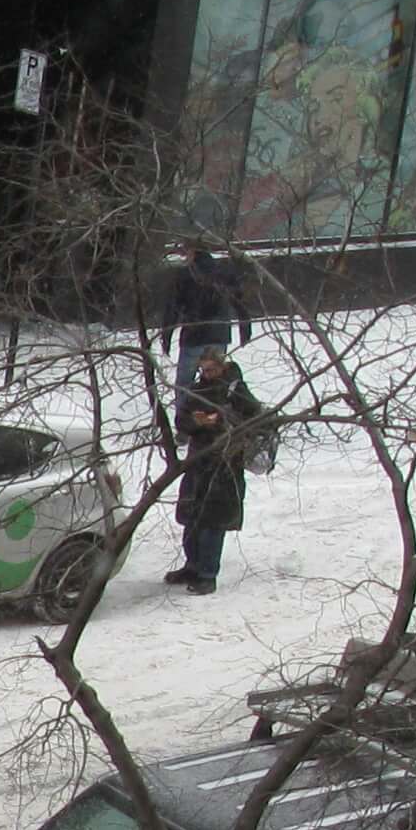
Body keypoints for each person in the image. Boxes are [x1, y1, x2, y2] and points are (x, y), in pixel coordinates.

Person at [167, 352, 267, 597]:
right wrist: (196, 423)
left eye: (212, 370)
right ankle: (192, 566)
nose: (207, 374)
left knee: (213, 521)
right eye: (204, 370)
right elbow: (181, 420)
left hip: (225, 464)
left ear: (223, 367)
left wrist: (222, 419)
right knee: (192, 516)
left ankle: (207, 574)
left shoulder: (236, 391)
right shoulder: (197, 390)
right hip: (198, 461)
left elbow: (256, 420)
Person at [170, 240, 251, 387]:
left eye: (186, 253)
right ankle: (216, 408)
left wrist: (166, 335)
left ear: (193, 252)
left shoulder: (186, 275)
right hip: (219, 334)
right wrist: (245, 328)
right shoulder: (223, 272)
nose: (185, 257)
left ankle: (184, 409)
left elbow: (173, 307)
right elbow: (239, 303)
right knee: (216, 380)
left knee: (184, 383)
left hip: (193, 336)